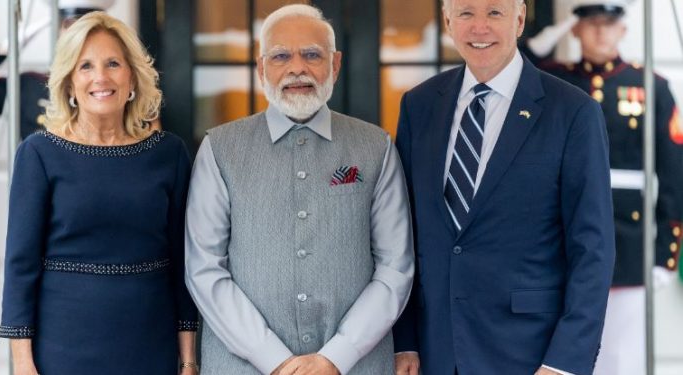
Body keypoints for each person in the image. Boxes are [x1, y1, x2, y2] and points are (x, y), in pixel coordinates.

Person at [184, 4, 414, 375]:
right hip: (242, 366)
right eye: (280, 56)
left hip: (355, 366)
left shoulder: (377, 147)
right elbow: (204, 269)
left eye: (312, 55)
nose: (297, 68)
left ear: (335, 65)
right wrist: (273, 359)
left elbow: (395, 267)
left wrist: (336, 357)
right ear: (261, 69)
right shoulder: (219, 149)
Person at [392, 0, 615, 374]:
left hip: (530, 354)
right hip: (435, 353)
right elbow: (403, 235)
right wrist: (405, 342)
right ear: (448, 20)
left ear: (520, 19)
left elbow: (593, 248)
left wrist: (565, 362)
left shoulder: (573, 112)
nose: (479, 28)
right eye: (466, 13)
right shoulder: (419, 105)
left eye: (494, 12)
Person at [0, 12, 199, 374]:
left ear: (132, 77)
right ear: (70, 82)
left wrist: (188, 360)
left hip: (149, 346)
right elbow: (20, 268)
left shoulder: (169, 154)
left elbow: (183, 263)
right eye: (85, 66)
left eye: (112, 64)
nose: (100, 78)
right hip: (62, 349)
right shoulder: (39, 154)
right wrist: (23, 364)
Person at [521, 1, 683, 373]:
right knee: (566, 351)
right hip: (564, 233)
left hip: (628, 238)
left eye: (608, 25)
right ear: (576, 31)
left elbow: (673, 174)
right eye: (589, 24)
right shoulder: (555, 80)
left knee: (623, 357)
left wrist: (664, 254)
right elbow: (513, 65)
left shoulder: (651, 86)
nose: (599, 32)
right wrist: (550, 36)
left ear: (622, 30)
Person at [0, 0, 115, 140]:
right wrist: (3, 50)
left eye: (90, 31)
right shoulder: (27, 86)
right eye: (71, 29)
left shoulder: (118, 87)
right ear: (59, 33)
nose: (79, 41)